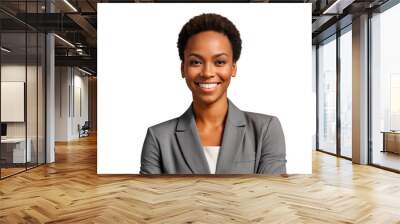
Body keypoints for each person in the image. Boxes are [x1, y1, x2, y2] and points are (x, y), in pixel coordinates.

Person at [140, 13, 286, 174]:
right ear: (183, 69)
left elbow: (271, 194)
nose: (207, 72)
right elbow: (150, 197)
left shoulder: (266, 130)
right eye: (196, 62)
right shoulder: (158, 137)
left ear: (233, 68)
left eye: (220, 62)